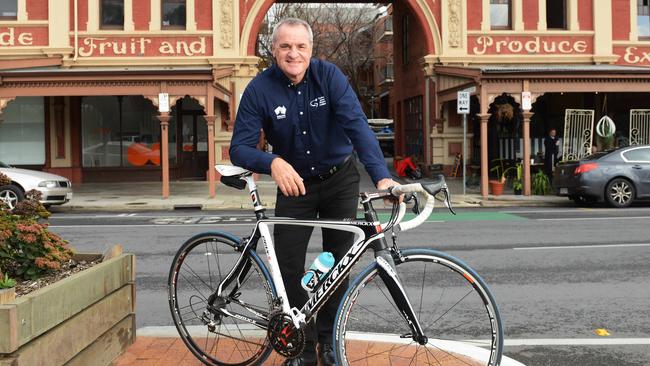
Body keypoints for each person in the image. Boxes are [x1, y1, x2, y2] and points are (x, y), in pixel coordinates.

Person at [229, 18, 397, 366]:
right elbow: (239, 148)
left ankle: (329, 340)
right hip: (294, 185)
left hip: (340, 180)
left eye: (300, 46)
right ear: (273, 50)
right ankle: (301, 347)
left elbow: (357, 126)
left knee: (337, 266)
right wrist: (272, 162)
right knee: (289, 268)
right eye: (285, 46)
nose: (293, 53)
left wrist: (382, 178)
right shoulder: (259, 89)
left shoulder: (330, 77)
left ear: (311, 49)